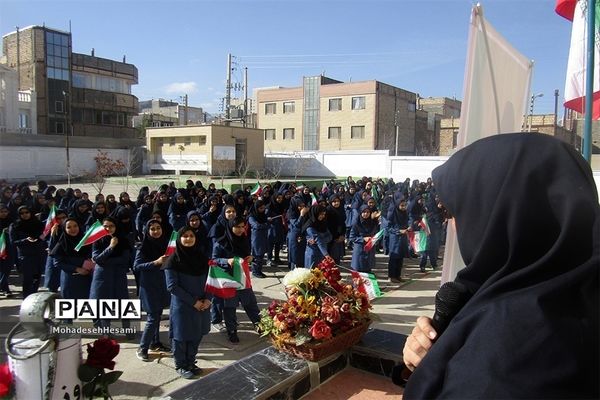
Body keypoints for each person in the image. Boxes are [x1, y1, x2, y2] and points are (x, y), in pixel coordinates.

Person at [401, 134, 599, 398]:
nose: (453, 226)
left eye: (456, 213)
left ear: (496, 215)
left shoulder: (499, 360)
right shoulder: (577, 295)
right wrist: (437, 352)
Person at [164, 227, 212, 379]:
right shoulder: (173, 260)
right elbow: (172, 286)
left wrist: (208, 299)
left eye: (191, 236)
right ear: (179, 239)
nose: (189, 239)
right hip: (183, 305)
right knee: (181, 336)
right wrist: (194, 302)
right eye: (185, 236)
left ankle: (191, 361)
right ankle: (181, 364)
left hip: (202, 304)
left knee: (197, 334)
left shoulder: (202, 258)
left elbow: (211, 280)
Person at [212, 217, 261, 343]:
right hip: (228, 279)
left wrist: (251, 259)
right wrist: (226, 261)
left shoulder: (244, 240)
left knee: (250, 302)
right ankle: (232, 330)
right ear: (230, 227)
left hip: (243, 278)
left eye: (242, 226)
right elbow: (214, 260)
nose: (240, 229)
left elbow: (247, 256)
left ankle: (259, 324)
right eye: (237, 227)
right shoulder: (221, 243)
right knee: (230, 306)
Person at [133, 219, 171, 361]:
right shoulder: (143, 247)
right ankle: (142, 347)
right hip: (149, 286)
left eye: (158, 228)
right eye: (152, 229)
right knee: (153, 317)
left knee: (158, 314)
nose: (156, 231)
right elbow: (137, 266)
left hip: (162, 284)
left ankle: (155, 342)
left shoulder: (165, 244)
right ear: (147, 231)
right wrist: (155, 263)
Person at [90, 217, 132, 332]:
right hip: (102, 277)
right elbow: (97, 258)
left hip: (118, 275)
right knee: (104, 304)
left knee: (123, 303)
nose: (108, 229)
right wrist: (110, 247)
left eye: (111, 226)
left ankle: (127, 329)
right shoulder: (98, 240)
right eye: (105, 226)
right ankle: (105, 331)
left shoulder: (123, 240)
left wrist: (105, 261)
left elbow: (125, 259)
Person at [51, 218, 93, 302]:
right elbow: (58, 263)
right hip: (70, 278)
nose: (73, 229)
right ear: (64, 229)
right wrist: (77, 269)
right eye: (69, 227)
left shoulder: (86, 241)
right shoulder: (62, 244)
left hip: (86, 278)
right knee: (71, 306)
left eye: (75, 226)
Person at [8, 205, 45, 298]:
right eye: (22, 213)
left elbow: (44, 236)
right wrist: (25, 240)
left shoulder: (38, 224)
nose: (25, 215)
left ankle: (34, 297)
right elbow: (13, 242)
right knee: (28, 279)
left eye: (26, 212)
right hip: (25, 255)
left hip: (38, 253)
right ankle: (27, 298)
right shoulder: (15, 225)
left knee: (37, 278)